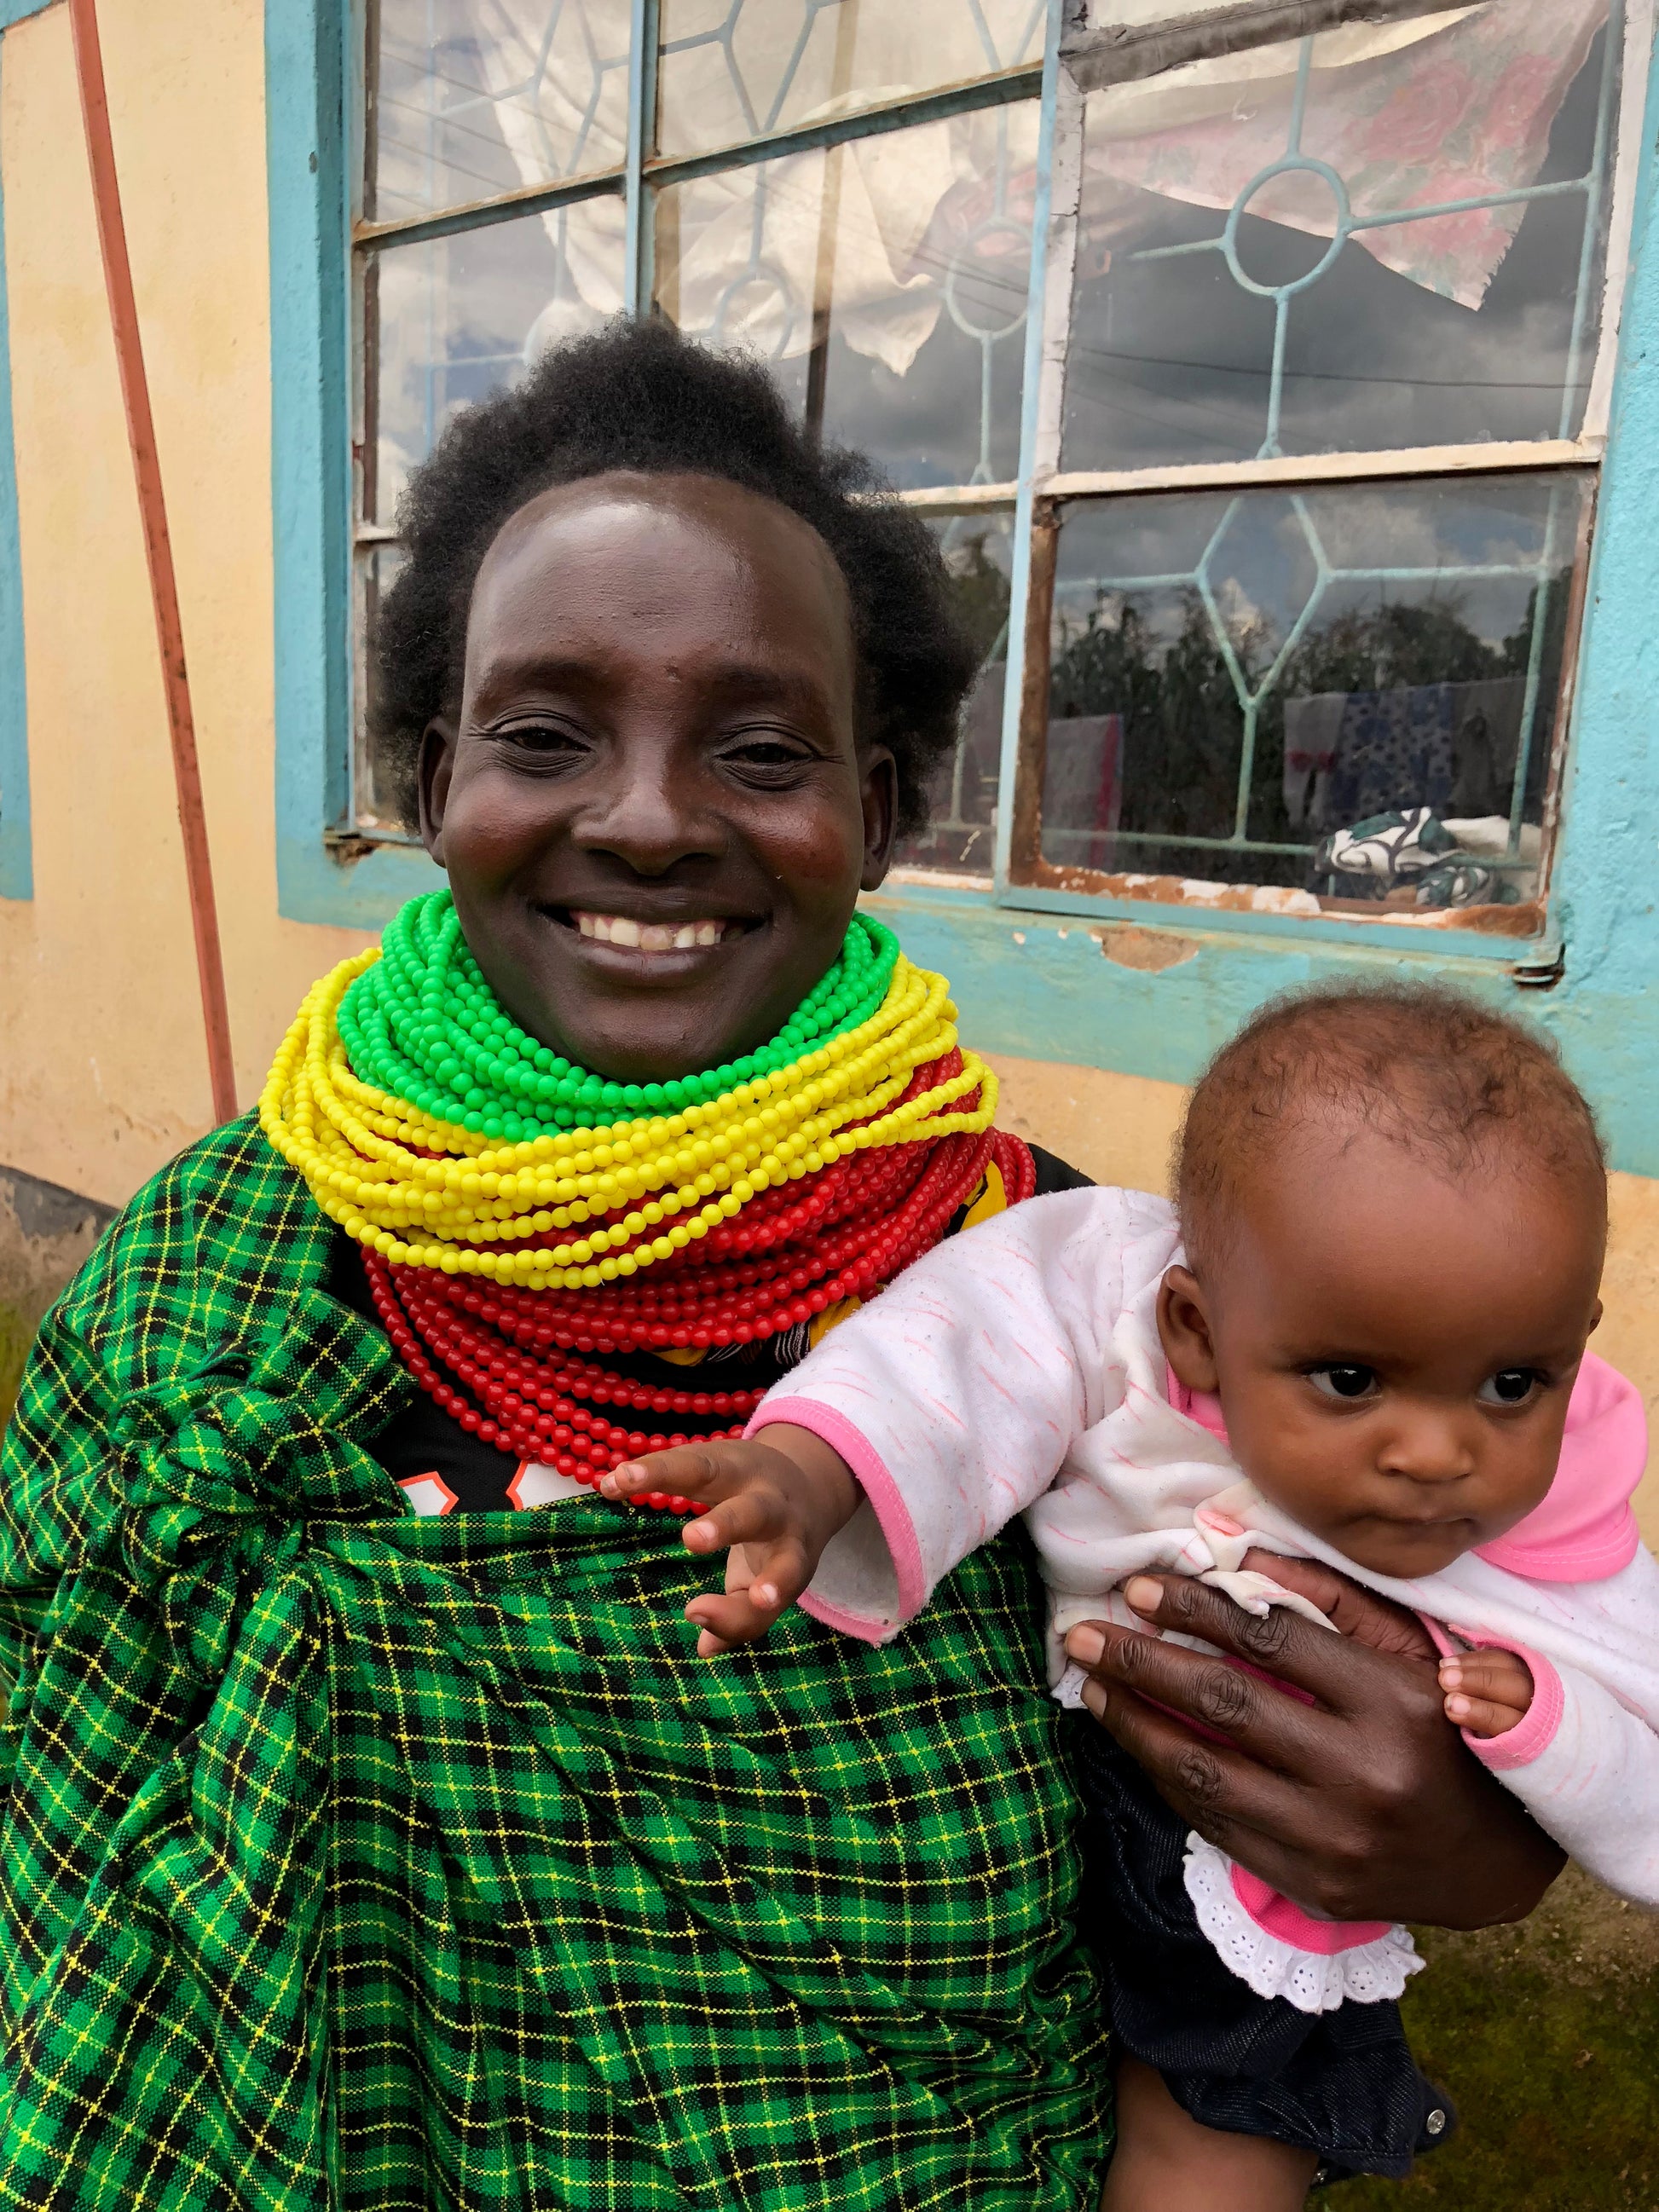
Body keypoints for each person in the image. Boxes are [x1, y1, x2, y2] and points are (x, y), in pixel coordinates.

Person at [0, 321, 1564, 2209]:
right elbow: (58, 1820)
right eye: (543, 732)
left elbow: (1395, 1672)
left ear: (881, 812)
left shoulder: (1063, 1303)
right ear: (434, 781)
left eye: (758, 747)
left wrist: (1483, 1836)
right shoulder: (207, 1280)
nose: (648, 816)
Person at [620, 982, 1656, 2205]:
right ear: (1194, 1327)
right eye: (1344, 1377)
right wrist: (809, 1472)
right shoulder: (1099, 1282)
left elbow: (1628, 1680)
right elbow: (950, 1350)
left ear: (1573, 1338)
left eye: (1508, 1384)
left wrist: (1541, 1720)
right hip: (1036, 1798)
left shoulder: (1558, 1499)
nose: (1435, 1454)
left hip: (1260, 1861)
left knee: (1218, 2136)